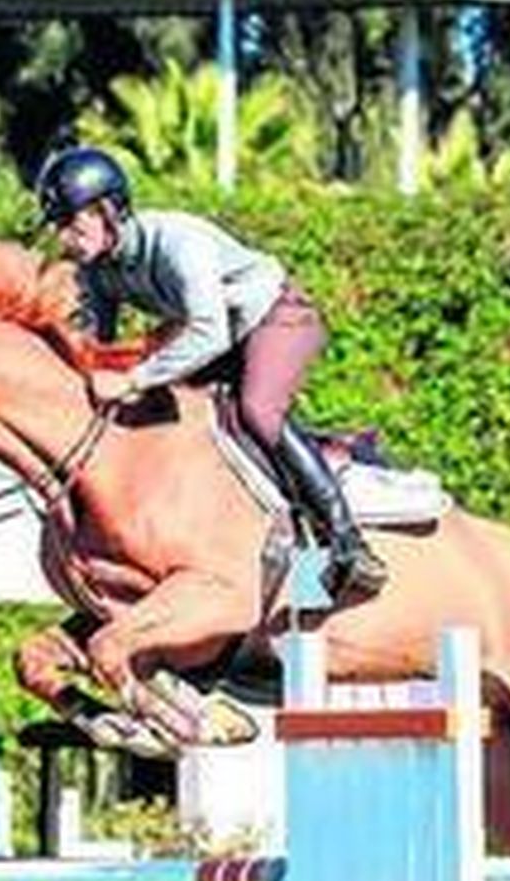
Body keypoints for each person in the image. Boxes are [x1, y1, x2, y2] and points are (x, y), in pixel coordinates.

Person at [35, 144, 388, 603]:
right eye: (60, 226)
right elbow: (97, 348)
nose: (65, 237)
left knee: (257, 412)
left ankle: (348, 543)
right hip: (221, 336)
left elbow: (207, 332)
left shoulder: (178, 242)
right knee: (166, 417)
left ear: (108, 210)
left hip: (278, 317)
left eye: (72, 222)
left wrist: (135, 378)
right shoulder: (99, 270)